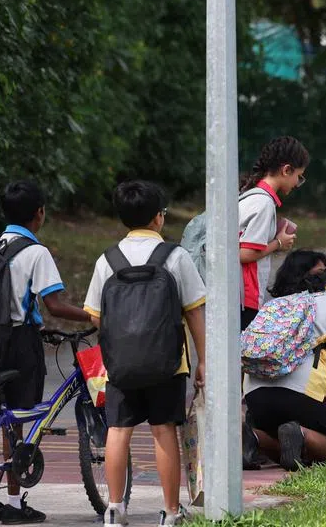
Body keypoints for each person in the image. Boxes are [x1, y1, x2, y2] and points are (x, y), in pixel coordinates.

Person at [83, 180, 206, 527]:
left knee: (118, 431)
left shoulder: (107, 260)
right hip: (168, 363)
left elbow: (94, 315)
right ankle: (169, 511)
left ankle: (115, 508)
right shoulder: (175, 256)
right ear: (158, 218)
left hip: (119, 364)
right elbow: (194, 311)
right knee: (163, 430)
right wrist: (203, 361)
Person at [0, 180, 91, 525]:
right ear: (40, 213)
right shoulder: (36, 252)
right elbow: (53, 305)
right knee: (18, 418)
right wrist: (92, 315)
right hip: (19, 342)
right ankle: (14, 502)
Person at [241, 262, 326, 471]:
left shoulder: (280, 303)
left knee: (284, 436)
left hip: (255, 392)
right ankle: (300, 434)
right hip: (304, 393)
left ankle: (254, 437)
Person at [238, 136, 309, 331]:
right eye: (299, 176)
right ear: (286, 170)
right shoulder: (263, 203)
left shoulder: (250, 195)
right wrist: (279, 242)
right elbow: (244, 254)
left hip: (236, 295)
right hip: (244, 296)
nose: (297, 183)